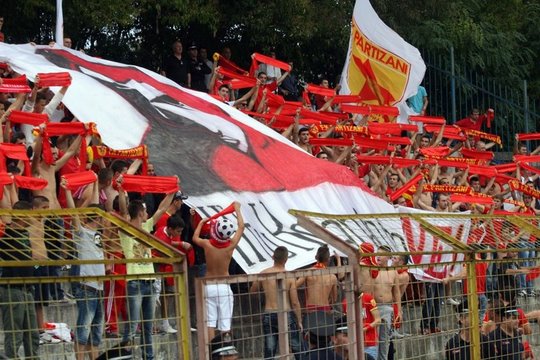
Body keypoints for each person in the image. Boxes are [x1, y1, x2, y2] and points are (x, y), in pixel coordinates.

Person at [117, 175, 175, 360]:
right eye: (144, 209)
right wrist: (120, 190)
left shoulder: (147, 226)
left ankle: (148, 357)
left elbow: (162, 208)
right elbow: (123, 208)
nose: (147, 211)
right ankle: (125, 356)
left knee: (148, 326)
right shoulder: (125, 229)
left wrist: (173, 189)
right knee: (132, 326)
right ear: (139, 212)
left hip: (149, 281)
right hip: (135, 282)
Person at [63, 178, 106, 360]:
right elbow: (74, 213)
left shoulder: (98, 233)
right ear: (97, 217)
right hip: (87, 286)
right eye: (102, 217)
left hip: (99, 288)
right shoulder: (81, 232)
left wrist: (95, 183)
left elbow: (95, 203)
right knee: (83, 328)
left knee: (95, 332)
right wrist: (66, 191)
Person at [192, 202, 245, 340]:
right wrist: (237, 210)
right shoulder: (230, 246)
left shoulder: (207, 244)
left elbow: (194, 238)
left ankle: (210, 352)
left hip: (209, 286)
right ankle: (225, 351)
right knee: (225, 324)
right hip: (223, 286)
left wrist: (201, 223)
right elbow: (241, 227)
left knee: (210, 323)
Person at [0, 201, 40, 359]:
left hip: (27, 289)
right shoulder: (6, 233)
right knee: (14, 335)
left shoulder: (25, 233)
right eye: (30, 213)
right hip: (12, 289)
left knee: (33, 335)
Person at [249, 246, 304, 359]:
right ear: (286, 259)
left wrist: (264, 297)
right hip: (286, 313)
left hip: (269, 312)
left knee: (270, 348)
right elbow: (294, 302)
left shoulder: (264, 274)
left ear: (273, 257)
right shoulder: (289, 276)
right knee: (296, 347)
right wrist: (299, 320)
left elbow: (252, 291)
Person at [358, 245, 401, 360]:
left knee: (385, 340)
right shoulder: (372, 269)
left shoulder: (393, 272)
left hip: (387, 307)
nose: (378, 257)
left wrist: (399, 311)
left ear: (388, 257)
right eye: (377, 254)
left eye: (381, 255)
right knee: (372, 339)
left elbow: (397, 292)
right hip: (374, 308)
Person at [296, 244, 338, 313]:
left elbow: (294, 286)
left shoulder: (308, 272)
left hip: (311, 309)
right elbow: (334, 298)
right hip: (325, 309)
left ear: (316, 257)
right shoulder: (332, 276)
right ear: (328, 259)